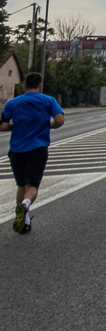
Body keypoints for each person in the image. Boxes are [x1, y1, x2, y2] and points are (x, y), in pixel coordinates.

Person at [1, 71, 65, 233]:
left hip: (16, 150)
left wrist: (15, 126)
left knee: (21, 185)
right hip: (37, 149)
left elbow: (2, 126)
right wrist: (47, 125)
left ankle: (22, 220)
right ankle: (26, 204)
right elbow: (59, 121)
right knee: (32, 187)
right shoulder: (48, 100)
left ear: (24, 85)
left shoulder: (13, 103)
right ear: (39, 85)